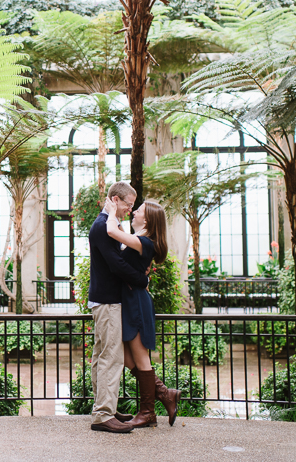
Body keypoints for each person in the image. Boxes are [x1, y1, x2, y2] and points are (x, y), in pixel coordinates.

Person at [103, 197, 182, 428]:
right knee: (126, 357)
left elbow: (110, 230)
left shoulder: (145, 242)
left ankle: (148, 412)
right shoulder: (138, 240)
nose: (133, 212)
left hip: (136, 302)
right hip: (129, 300)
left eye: (138, 210)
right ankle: (165, 393)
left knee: (139, 357)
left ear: (147, 219)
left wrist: (111, 211)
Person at [87, 181, 148, 434]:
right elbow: (115, 265)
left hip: (103, 300)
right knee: (111, 357)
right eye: (127, 204)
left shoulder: (106, 225)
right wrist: (142, 280)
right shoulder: (103, 227)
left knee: (101, 355)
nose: (129, 209)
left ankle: (104, 408)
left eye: (132, 206)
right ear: (114, 199)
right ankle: (103, 414)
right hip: (108, 301)